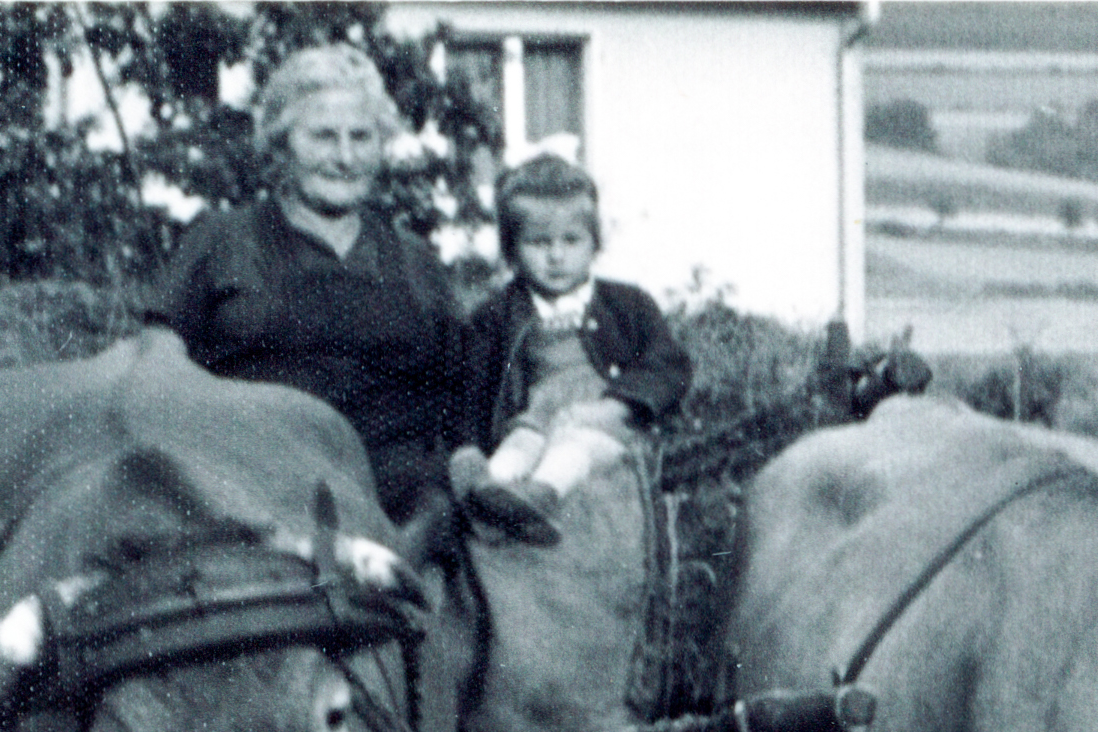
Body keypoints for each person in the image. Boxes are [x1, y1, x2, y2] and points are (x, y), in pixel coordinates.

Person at [140, 45, 462, 521]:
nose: (346, 157)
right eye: (324, 138)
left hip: (398, 505)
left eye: (362, 137)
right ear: (282, 143)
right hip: (249, 495)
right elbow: (156, 366)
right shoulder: (221, 240)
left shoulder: (415, 259)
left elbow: (461, 393)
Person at [448, 154, 693, 547]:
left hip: (605, 427)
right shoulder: (495, 316)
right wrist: (469, 449)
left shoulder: (627, 305)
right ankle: (490, 494)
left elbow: (668, 365)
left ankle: (537, 498)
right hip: (532, 420)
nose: (557, 256)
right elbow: (471, 389)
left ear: (595, 242)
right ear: (511, 251)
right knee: (517, 446)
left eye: (571, 240)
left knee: (573, 449)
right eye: (538, 242)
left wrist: (616, 406)